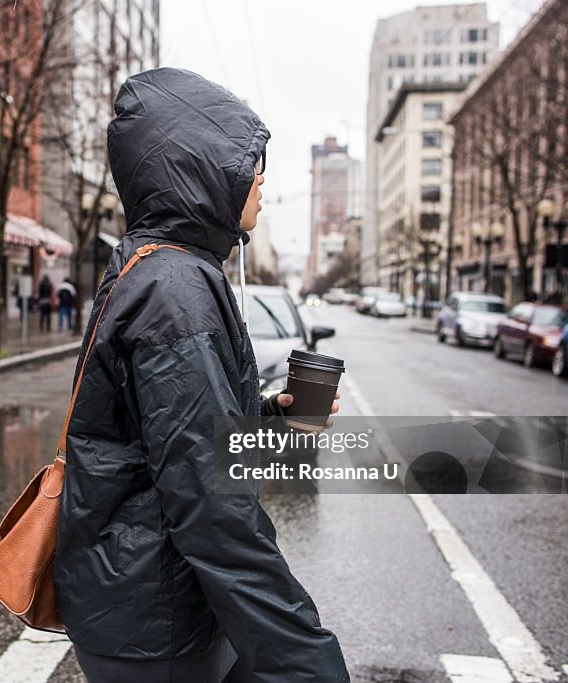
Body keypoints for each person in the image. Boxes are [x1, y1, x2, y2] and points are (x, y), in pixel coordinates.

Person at [55, 68, 349, 682]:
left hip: (143, 598)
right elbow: (212, 510)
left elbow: (167, 442)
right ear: (203, 171)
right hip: (156, 613)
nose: (261, 179)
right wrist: (308, 660)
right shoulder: (176, 288)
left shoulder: (161, 268)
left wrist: (270, 419)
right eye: (247, 164)